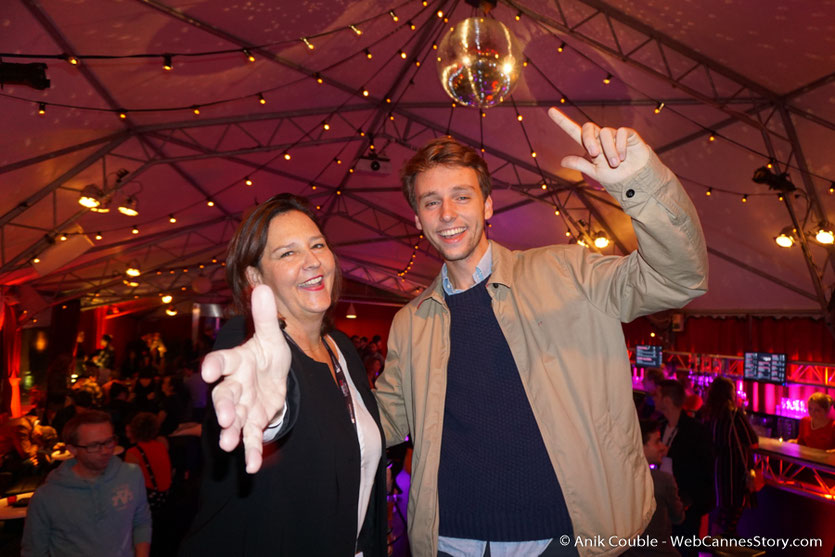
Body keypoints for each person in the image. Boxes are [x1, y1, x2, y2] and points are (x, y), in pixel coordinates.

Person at [203, 108, 708, 556]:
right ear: (417, 219)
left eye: (461, 197)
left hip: (565, 540)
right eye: (430, 202)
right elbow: (374, 423)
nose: (447, 215)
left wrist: (638, 185)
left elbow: (678, 278)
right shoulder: (411, 322)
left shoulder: (568, 272)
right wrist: (286, 400)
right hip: (449, 544)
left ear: (487, 205)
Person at [180, 194, 387, 556]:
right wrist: (270, 418)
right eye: (287, 253)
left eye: (317, 245)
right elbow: (270, 405)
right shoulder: (245, 342)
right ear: (255, 276)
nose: (312, 262)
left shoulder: (343, 349)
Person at [21, 411, 151, 557]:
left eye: (109, 441)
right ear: (72, 449)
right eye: (94, 446)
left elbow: (141, 521)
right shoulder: (46, 497)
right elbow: (34, 551)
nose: (105, 451)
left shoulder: (131, 475)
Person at [654, 380, 713, 553]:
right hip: (661, 502)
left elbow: (704, 471)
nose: (652, 399)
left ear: (667, 401)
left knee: (684, 549)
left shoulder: (696, 432)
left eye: (656, 395)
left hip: (686, 504)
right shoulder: (660, 426)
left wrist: (689, 503)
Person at [704, 376, 758, 537]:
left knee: (722, 511)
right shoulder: (735, 415)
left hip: (716, 469)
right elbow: (752, 441)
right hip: (734, 471)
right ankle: (726, 545)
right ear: (730, 394)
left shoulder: (708, 414)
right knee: (733, 512)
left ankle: (717, 541)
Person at [623, 420, 684, 557]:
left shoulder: (620, 477)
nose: (662, 447)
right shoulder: (662, 480)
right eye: (657, 442)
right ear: (641, 446)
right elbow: (678, 517)